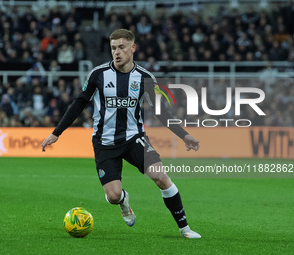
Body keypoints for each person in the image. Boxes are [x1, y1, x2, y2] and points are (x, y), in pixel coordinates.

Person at [42, 29, 201, 238]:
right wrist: (57, 132)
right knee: (114, 195)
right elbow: (79, 103)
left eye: (121, 47)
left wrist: (184, 135)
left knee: (161, 177)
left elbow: (161, 112)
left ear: (132, 48)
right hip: (104, 142)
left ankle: (185, 228)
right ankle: (123, 200)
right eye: (113, 48)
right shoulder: (98, 75)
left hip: (134, 138)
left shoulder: (145, 78)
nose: (117, 52)